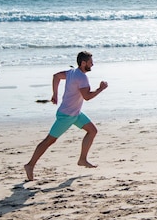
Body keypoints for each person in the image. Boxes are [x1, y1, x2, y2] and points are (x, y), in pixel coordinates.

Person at [24, 51, 108, 181]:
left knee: (92, 131)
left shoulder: (72, 72)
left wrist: (55, 94)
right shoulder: (81, 77)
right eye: (91, 62)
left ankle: (82, 159)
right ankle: (30, 165)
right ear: (83, 63)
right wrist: (101, 89)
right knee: (49, 141)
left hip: (75, 113)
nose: (93, 64)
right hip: (67, 115)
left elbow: (56, 76)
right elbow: (87, 97)